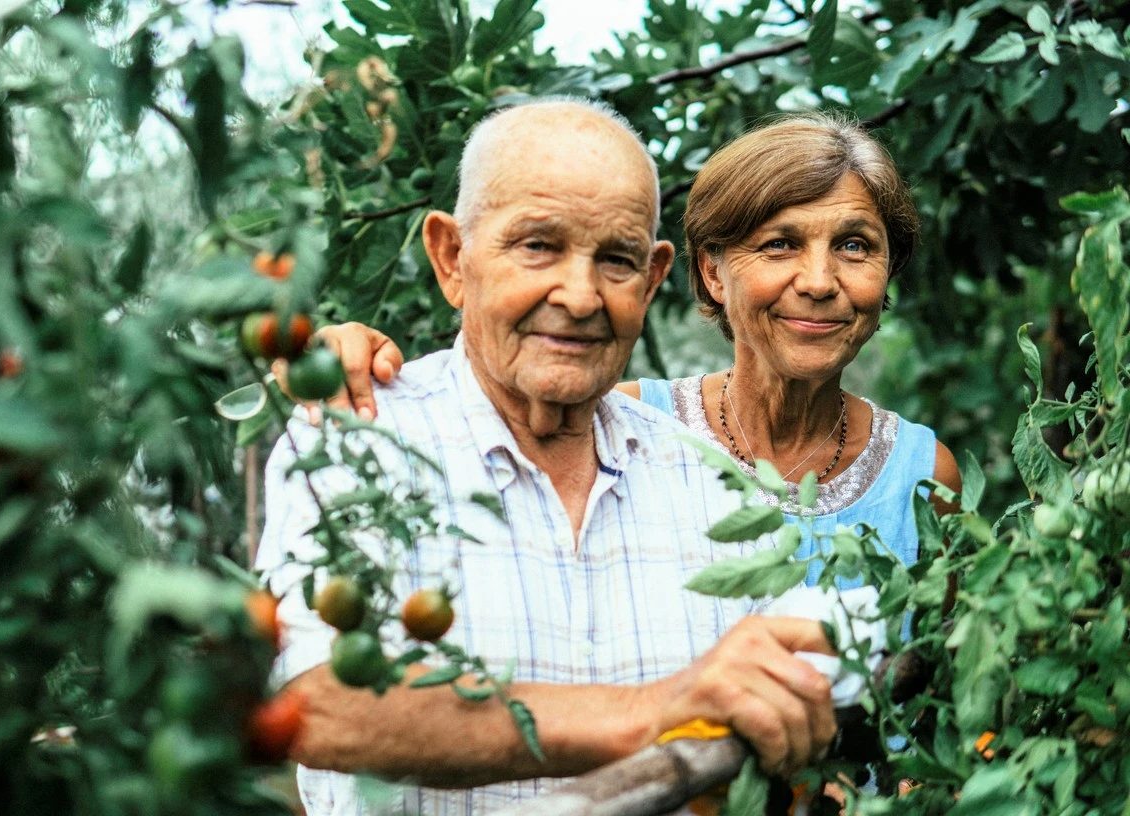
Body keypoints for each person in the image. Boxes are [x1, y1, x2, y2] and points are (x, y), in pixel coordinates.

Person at [255, 99, 837, 816]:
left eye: (617, 260)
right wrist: (649, 712)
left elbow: (787, 726)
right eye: (538, 246)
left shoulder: (719, 489)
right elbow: (316, 704)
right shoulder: (354, 438)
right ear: (451, 259)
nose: (581, 294)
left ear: (652, 282)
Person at [321, 113, 963, 585]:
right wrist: (351, 359)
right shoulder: (622, 431)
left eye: (855, 246)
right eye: (779, 245)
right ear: (713, 273)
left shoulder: (924, 474)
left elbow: (940, 703)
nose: (820, 282)